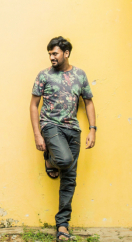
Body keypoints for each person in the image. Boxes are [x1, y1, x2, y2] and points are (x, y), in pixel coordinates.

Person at [29, 36, 96, 241]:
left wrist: (93, 129)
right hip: (51, 126)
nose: (52, 57)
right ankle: (50, 157)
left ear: (66, 53)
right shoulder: (44, 76)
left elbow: (89, 103)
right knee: (65, 160)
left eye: (55, 53)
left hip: (73, 130)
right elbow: (33, 105)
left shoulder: (80, 75)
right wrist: (37, 134)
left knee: (69, 179)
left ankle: (62, 226)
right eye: (50, 53)